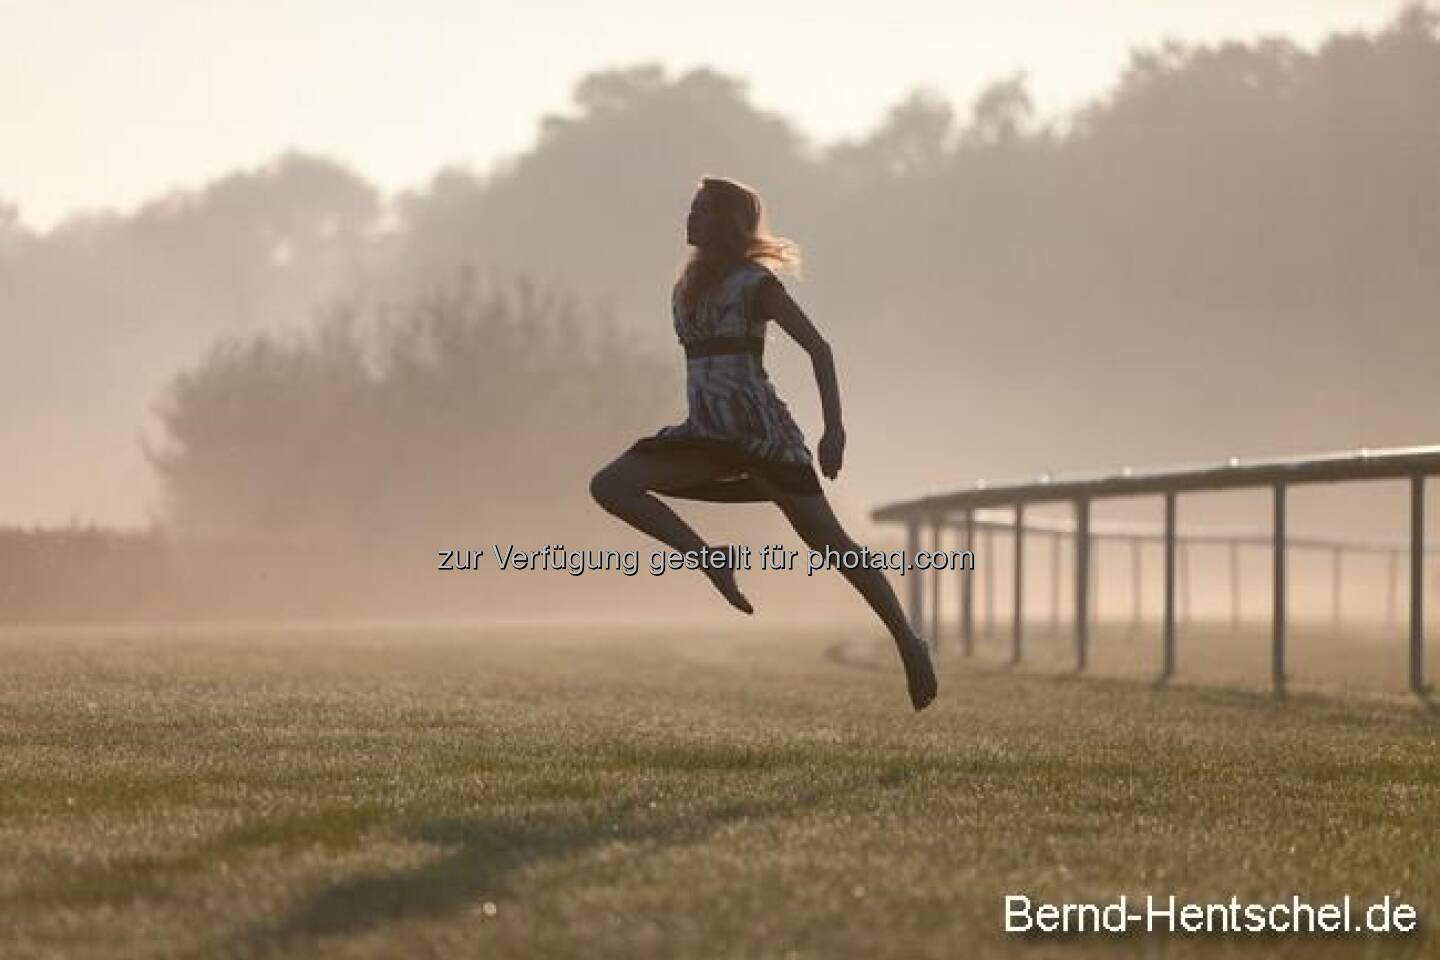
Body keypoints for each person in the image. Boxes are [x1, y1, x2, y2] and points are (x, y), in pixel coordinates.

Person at [589, 175, 937, 711]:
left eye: (701, 209)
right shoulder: (685, 288)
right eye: (691, 207)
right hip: (707, 434)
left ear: (726, 223)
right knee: (611, 485)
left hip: (761, 436)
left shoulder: (756, 285)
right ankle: (709, 559)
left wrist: (834, 430)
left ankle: (908, 643)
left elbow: (820, 350)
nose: (689, 217)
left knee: (832, 545)